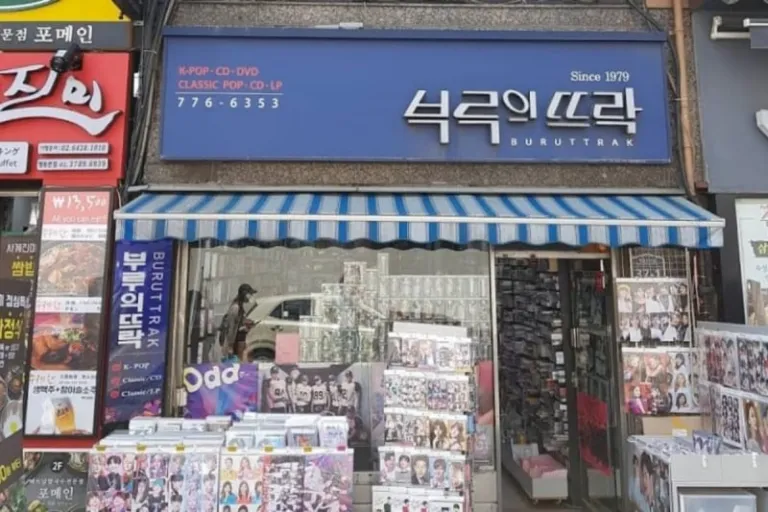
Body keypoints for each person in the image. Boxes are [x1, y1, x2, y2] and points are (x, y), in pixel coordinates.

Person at [215, 283, 257, 363]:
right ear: (244, 294)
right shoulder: (235, 308)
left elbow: (238, 323)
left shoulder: (240, 306)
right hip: (233, 344)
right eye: (250, 294)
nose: (251, 297)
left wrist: (247, 323)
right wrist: (230, 346)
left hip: (238, 342)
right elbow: (231, 328)